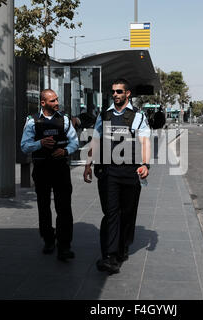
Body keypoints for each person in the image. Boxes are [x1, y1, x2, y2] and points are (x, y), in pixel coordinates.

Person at [83, 78, 151, 274]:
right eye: (113, 91)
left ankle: (122, 247)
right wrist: (88, 164)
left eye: (119, 92)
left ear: (127, 94)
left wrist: (145, 164)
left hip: (131, 172)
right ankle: (110, 255)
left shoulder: (138, 116)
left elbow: (145, 142)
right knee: (111, 212)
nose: (115, 95)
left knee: (127, 214)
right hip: (109, 172)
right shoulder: (104, 116)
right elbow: (95, 141)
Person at [21, 89, 79, 261]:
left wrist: (66, 150)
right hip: (42, 169)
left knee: (64, 208)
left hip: (60, 169)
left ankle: (64, 246)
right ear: (43, 103)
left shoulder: (65, 120)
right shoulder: (32, 121)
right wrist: (40, 143)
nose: (56, 103)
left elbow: (75, 142)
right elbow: (24, 146)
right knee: (43, 206)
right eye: (52, 101)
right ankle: (48, 239)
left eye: (57, 100)